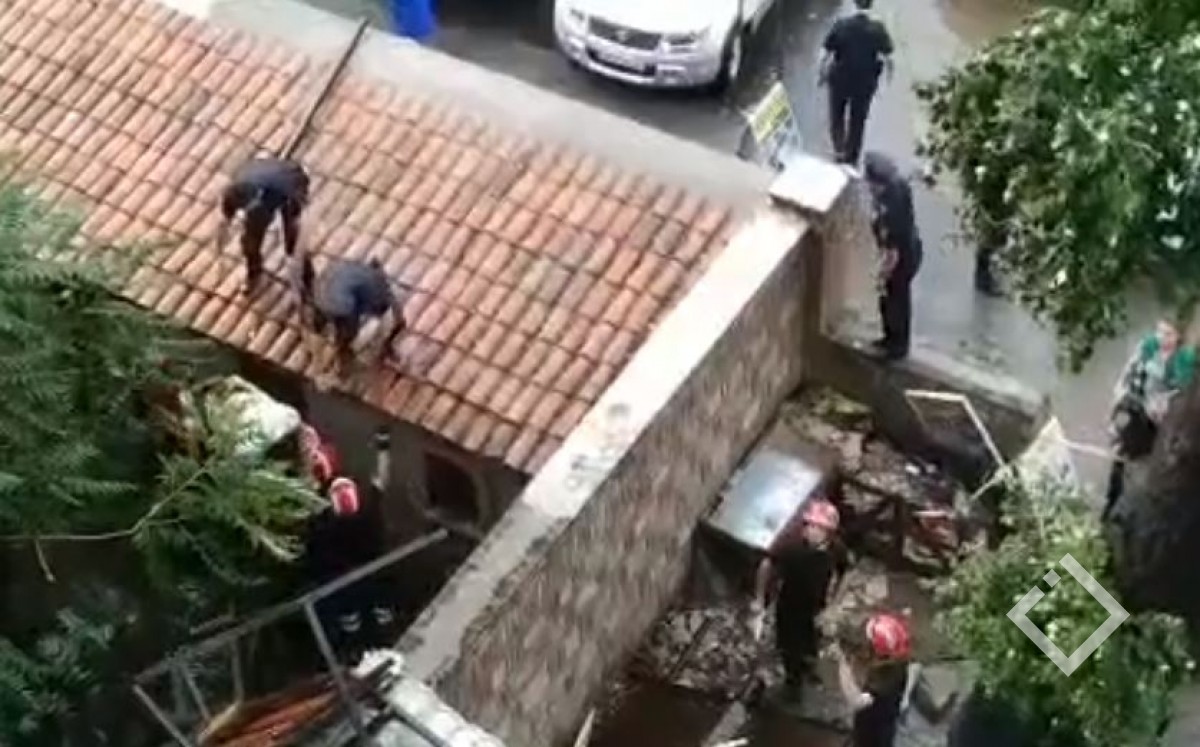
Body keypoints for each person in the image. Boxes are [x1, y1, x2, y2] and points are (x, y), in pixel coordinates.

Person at [751, 498, 848, 700]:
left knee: (811, 640)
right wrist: (759, 599)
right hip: (788, 605)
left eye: (817, 527)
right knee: (785, 645)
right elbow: (766, 565)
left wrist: (834, 604)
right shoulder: (792, 544)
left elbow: (844, 571)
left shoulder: (835, 549)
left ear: (828, 533)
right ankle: (787, 682)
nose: (811, 531)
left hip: (815, 606)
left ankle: (805, 667)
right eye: (809, 525)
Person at [1104, 319, 1196, 518]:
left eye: (1168, 334)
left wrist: (1162, 403)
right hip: (1139, 406)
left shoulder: (1183, 360)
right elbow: (1129, 373)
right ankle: (1112, 496)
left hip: (1162, 416)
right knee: (1122, 435)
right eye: (1160, 332)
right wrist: (1121, 394)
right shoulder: (1148, 347)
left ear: (1178, 337)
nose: (1162, 338)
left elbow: (1182, 392)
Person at [217, 157, 311, 297]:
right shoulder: (232, 194)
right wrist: (220, 246)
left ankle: (307, 279)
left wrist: (293, 222)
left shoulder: (287, 187)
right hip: (264, 188)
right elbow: (225, 222)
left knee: (293, 244)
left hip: (289, 187)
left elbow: (300, 201)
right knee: (250, 242)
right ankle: (254, 272)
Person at [303, 257, 409, 377]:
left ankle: (343, 353)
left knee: (346, 325)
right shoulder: (379, 295)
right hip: (338, 300)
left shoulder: (366, 272)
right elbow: (392, 318)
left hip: (325, 283)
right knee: (349, 330)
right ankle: (344, 359)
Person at [819, 0, 894, 166]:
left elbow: (825, 53)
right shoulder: (878, 29)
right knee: (858, 121)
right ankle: (851, 157)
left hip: (840, 80)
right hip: (865, 83)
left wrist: (821, 73)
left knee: (836, 116)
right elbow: (889, 59)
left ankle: (839, 150)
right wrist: (885, 84)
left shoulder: (841, 25)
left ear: (854, 3)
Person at [864, 152, 923, 362]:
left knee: (894, 300)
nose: (869, 188)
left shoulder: (892, 208)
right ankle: (890, 339)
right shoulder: (893, 189)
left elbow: (893, 252)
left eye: (871, 184)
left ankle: (897, 346)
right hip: (905, 250)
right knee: (891, 298)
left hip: (902, 257)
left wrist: (882, 274)